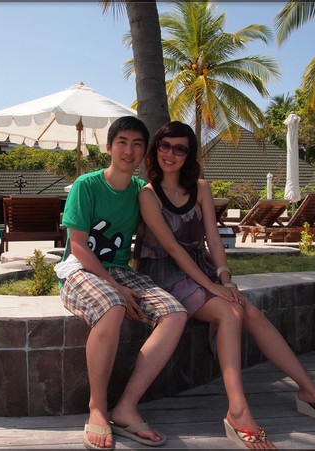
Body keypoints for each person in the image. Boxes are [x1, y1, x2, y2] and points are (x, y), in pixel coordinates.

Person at [135, 121, 315, 450]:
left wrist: (225, 278)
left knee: (250, 313)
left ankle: (309, 390)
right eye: (165, 145)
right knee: (231, 311)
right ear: (155, 148)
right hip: (164, 272)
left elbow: (214, 239)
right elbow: (173, 249)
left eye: (180, 148)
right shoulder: (148, 194)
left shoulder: (200, 188)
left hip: (200, 268)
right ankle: (237, 411)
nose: (171, 154)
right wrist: (212, 287)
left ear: (189, 154)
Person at [57, 116, 188, 450]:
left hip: (120, 270)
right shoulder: (86, 185)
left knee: (175, 313)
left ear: (144, 153)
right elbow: (77, 246)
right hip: (80, 268)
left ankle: (127, 406)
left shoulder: (141, 192)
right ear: (109, 147)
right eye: (122, 143)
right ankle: (97, 408)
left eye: (137, 145)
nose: (129, 151)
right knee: (112, 306)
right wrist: (115, 288)